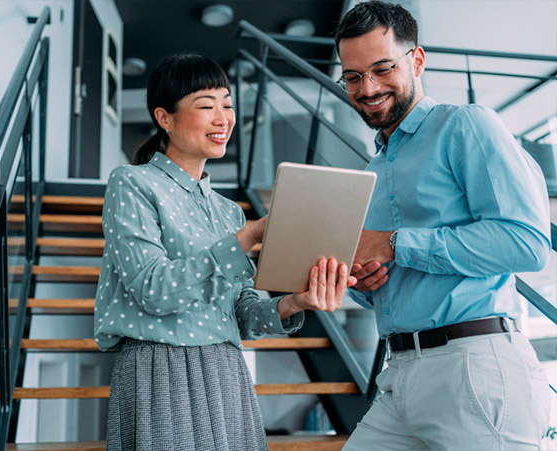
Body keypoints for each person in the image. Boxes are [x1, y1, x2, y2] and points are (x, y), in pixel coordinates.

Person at [94, 53, 356, 451]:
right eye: (206, 105)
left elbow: (243, 314)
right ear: (164, 117)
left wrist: (293, 302)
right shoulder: (132, 183)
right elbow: (153, 289)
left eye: (227, 104)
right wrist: (247, 236)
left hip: (227, 372)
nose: (223, 118)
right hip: (161, 369)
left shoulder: (228, 210)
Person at [334, 2, 552, 450]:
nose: (368, 88)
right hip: (398, 374)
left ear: (416, 60)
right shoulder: (370, 170)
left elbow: (527, 242)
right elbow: (382, 274)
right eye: (353, 77)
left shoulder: (466, 125)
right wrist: (361, 281)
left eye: (381, 68)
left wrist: (395, 244)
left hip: (474, 366)